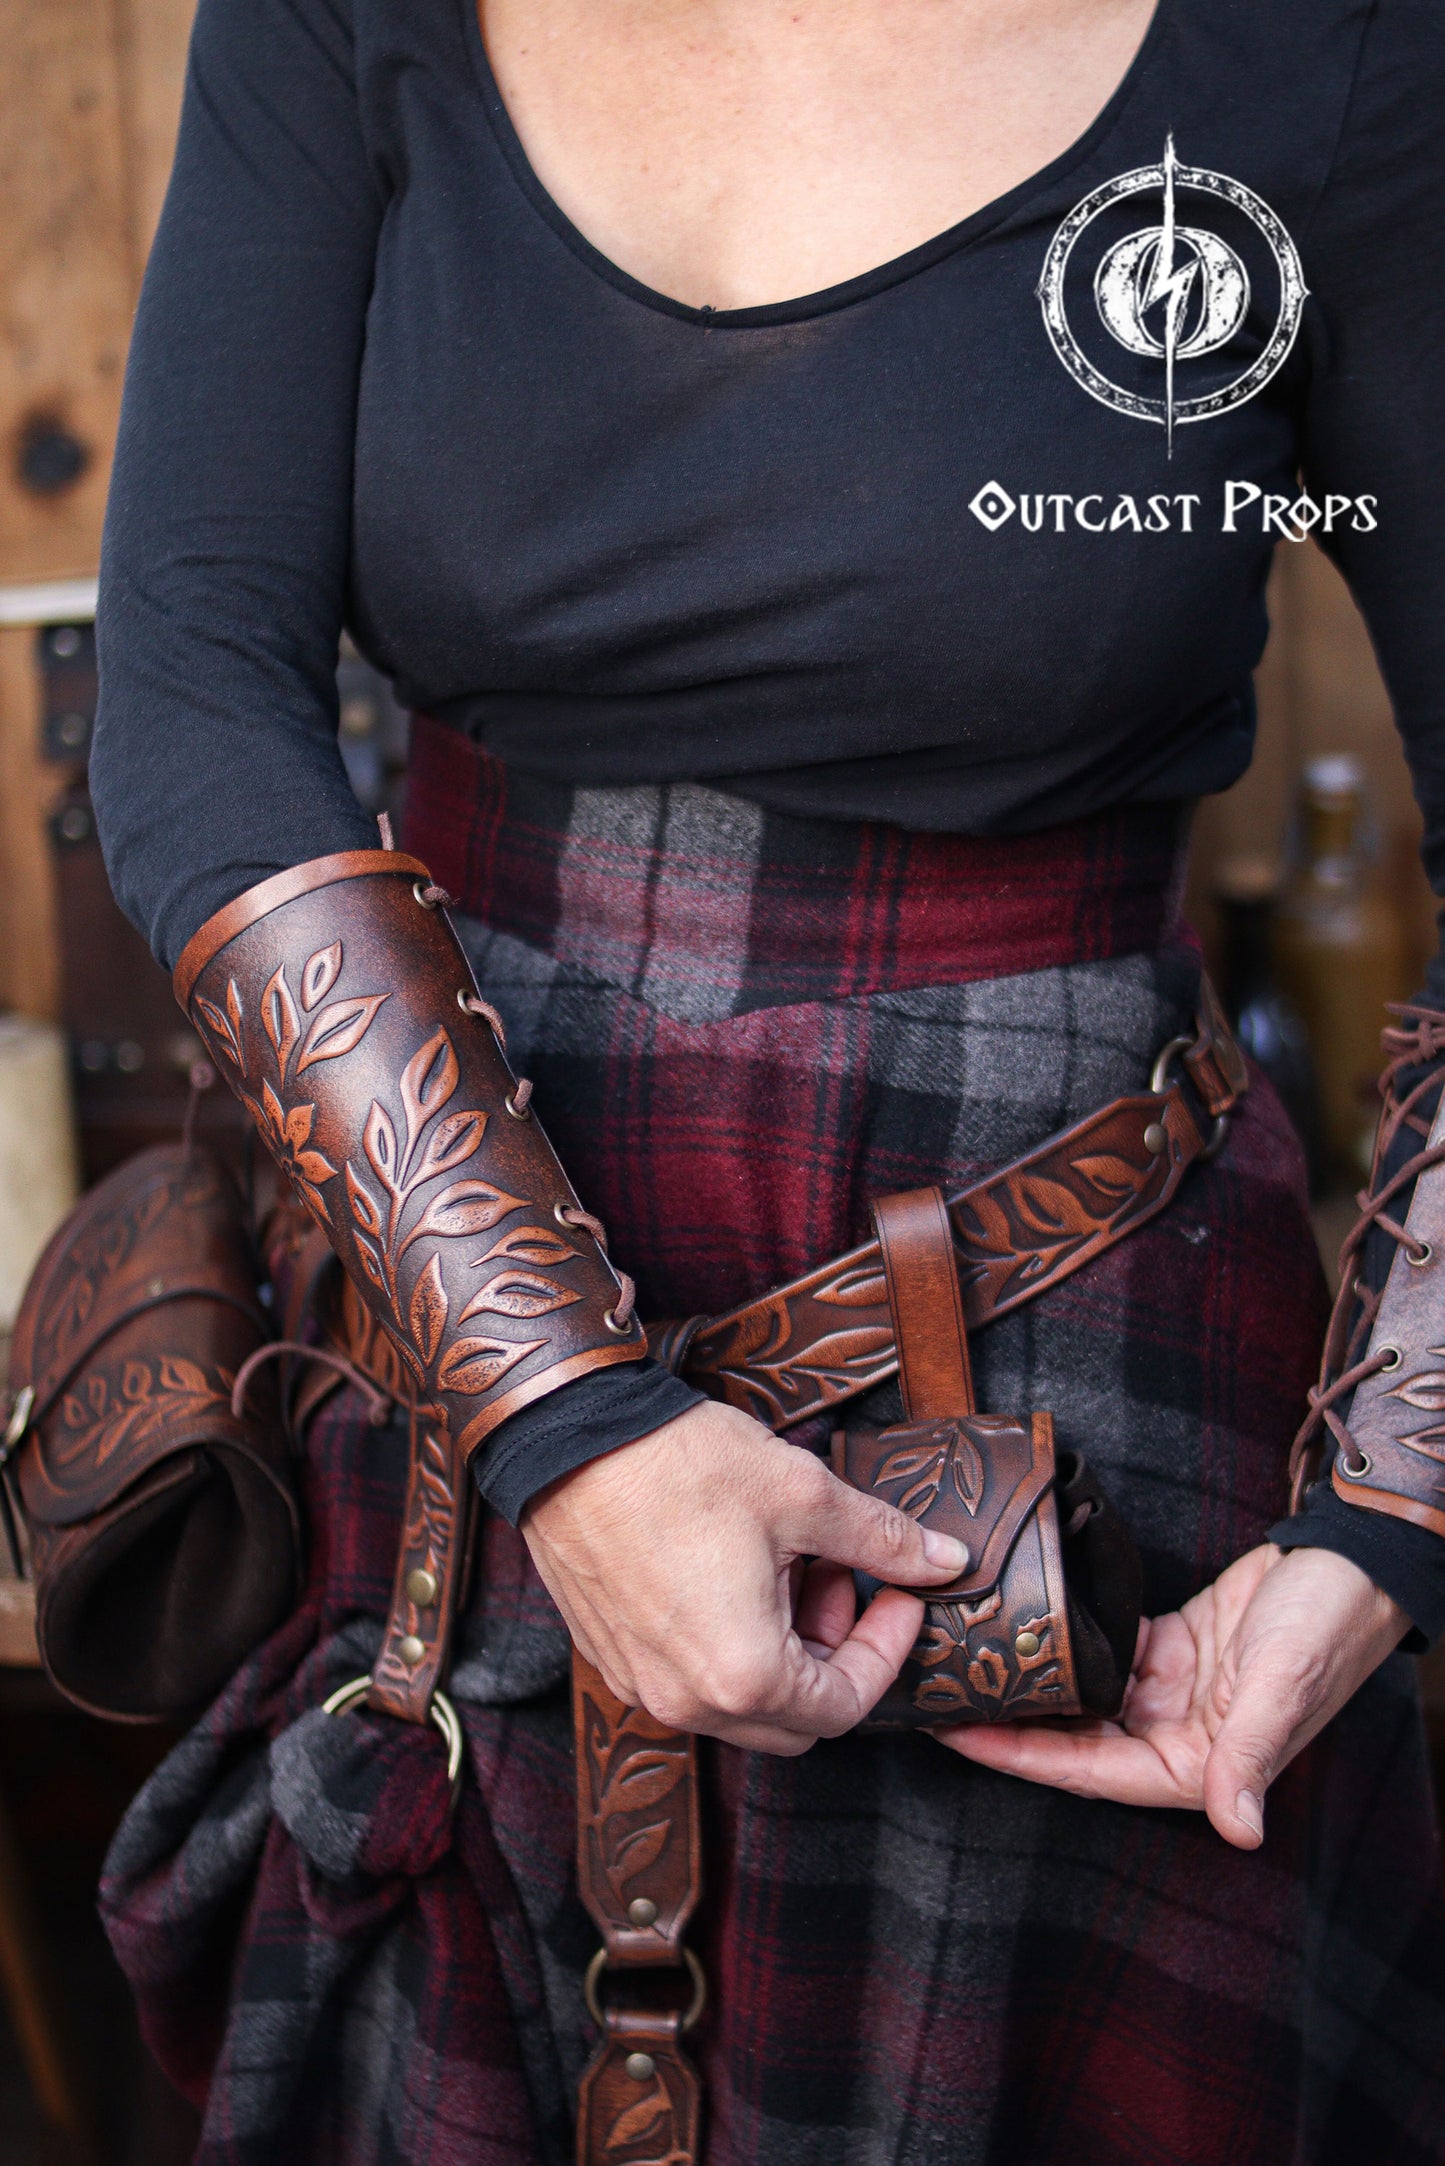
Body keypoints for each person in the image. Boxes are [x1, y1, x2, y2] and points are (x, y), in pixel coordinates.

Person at [89, 0, 1445, 2158]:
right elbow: (186, 694)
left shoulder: (1344, 49)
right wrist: (561, 1415)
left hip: (1073, 1421)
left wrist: (1390, 1512)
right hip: (452, 1336)